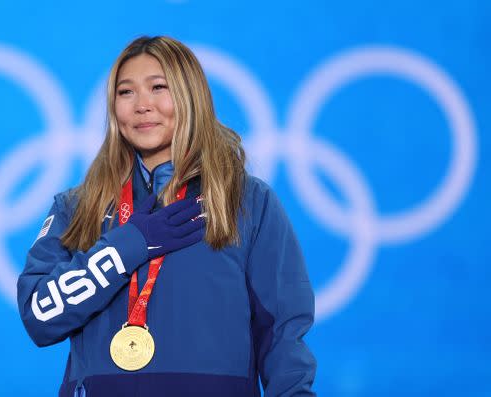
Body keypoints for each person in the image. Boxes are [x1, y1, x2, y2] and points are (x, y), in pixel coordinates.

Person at [17, 35, 317, 397]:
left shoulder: (246, 201)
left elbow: (283, 333)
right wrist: (128, 245)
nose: (142, 105)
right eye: (125, 92)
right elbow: (39, 317)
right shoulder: (79, 207)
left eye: (159, 87)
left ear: (191, 97)